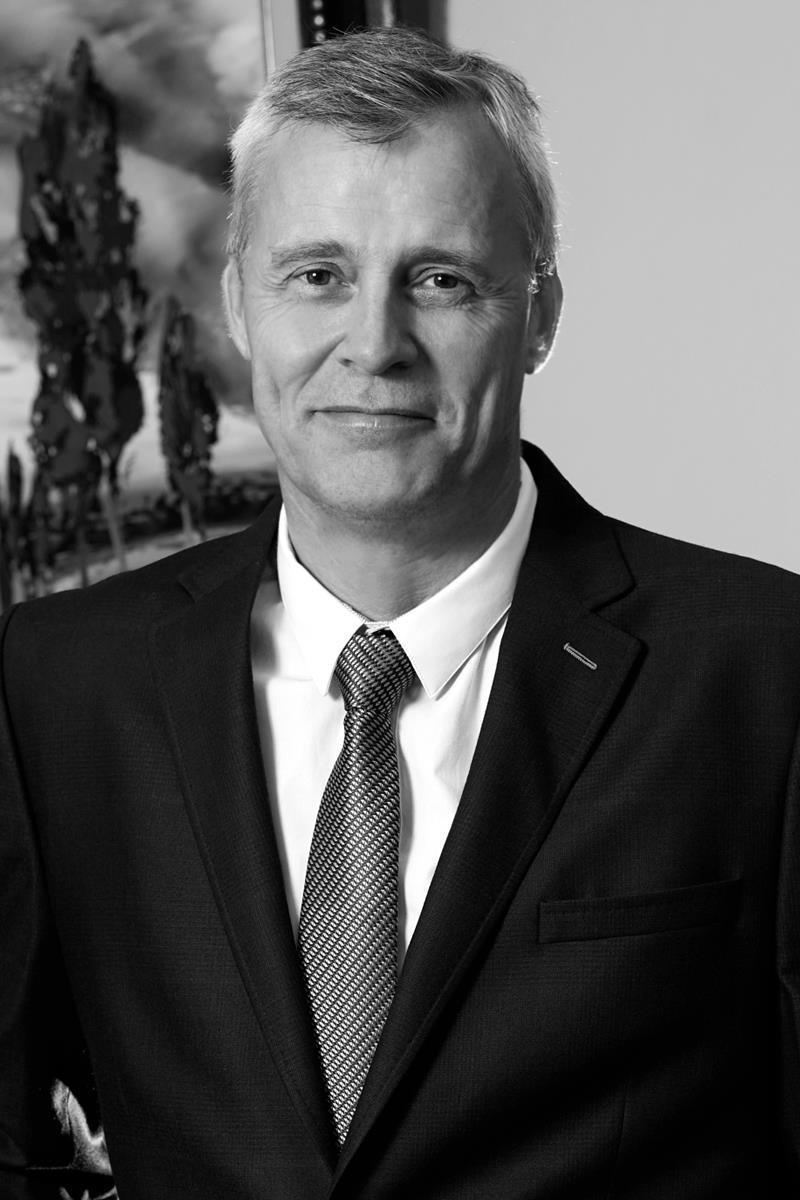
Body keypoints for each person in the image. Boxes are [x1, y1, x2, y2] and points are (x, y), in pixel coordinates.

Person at [1, 25, 798, 1200]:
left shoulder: (763, 672)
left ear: (538, 315)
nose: (372, 346)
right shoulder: (62, 684)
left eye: (440, 279)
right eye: (315, 276)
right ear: (239, 304)